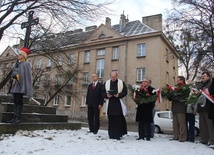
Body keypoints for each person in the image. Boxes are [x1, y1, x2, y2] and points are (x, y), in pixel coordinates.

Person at [7, 47, 33, 125]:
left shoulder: (26, 64)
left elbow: (27, 76)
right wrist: (14, 79)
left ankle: (18, 117)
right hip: (15, 85)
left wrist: (19, 79)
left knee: (19, 101)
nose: (18, 55)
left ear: (24, 56)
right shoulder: (17, 64)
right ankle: (15, 117)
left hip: (21, 86)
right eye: (19, 54)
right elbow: (15, 74)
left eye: (20, 54)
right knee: (15, 101)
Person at [102, 71, 127, 140]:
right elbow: (102, 92)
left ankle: (118, 135)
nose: (113, 78)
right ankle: (111, 134)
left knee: (118, 120)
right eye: (112, 77)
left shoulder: (121, 83)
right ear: (110, 76)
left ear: (117, 76)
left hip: (118, 103)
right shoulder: (106, 83)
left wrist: (119, 95)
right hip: (110, 103)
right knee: (111, 120)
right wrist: (107, 95)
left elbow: (125, 92)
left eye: (114, 77)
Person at [197, 71, 214, 145]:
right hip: (201, 108)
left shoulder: (210, 84)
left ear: (208, 76)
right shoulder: (201, 85)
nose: (202, 77)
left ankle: (212, 140)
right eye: (202, 76)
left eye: (204, 76)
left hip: (208, 107)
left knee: (209, 125)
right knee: (202, 125)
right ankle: (204, 139)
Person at [170, 76, 188, 142]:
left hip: (181, 108)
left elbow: (183, 98)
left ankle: (183, 137)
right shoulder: (175, 88)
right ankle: (176, 136)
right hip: (174, 108)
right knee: (175, 124)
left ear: (182, 80)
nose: (177, 81)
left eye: (178, 80)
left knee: (182, 124)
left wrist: (175, 95)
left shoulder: (185, 88)